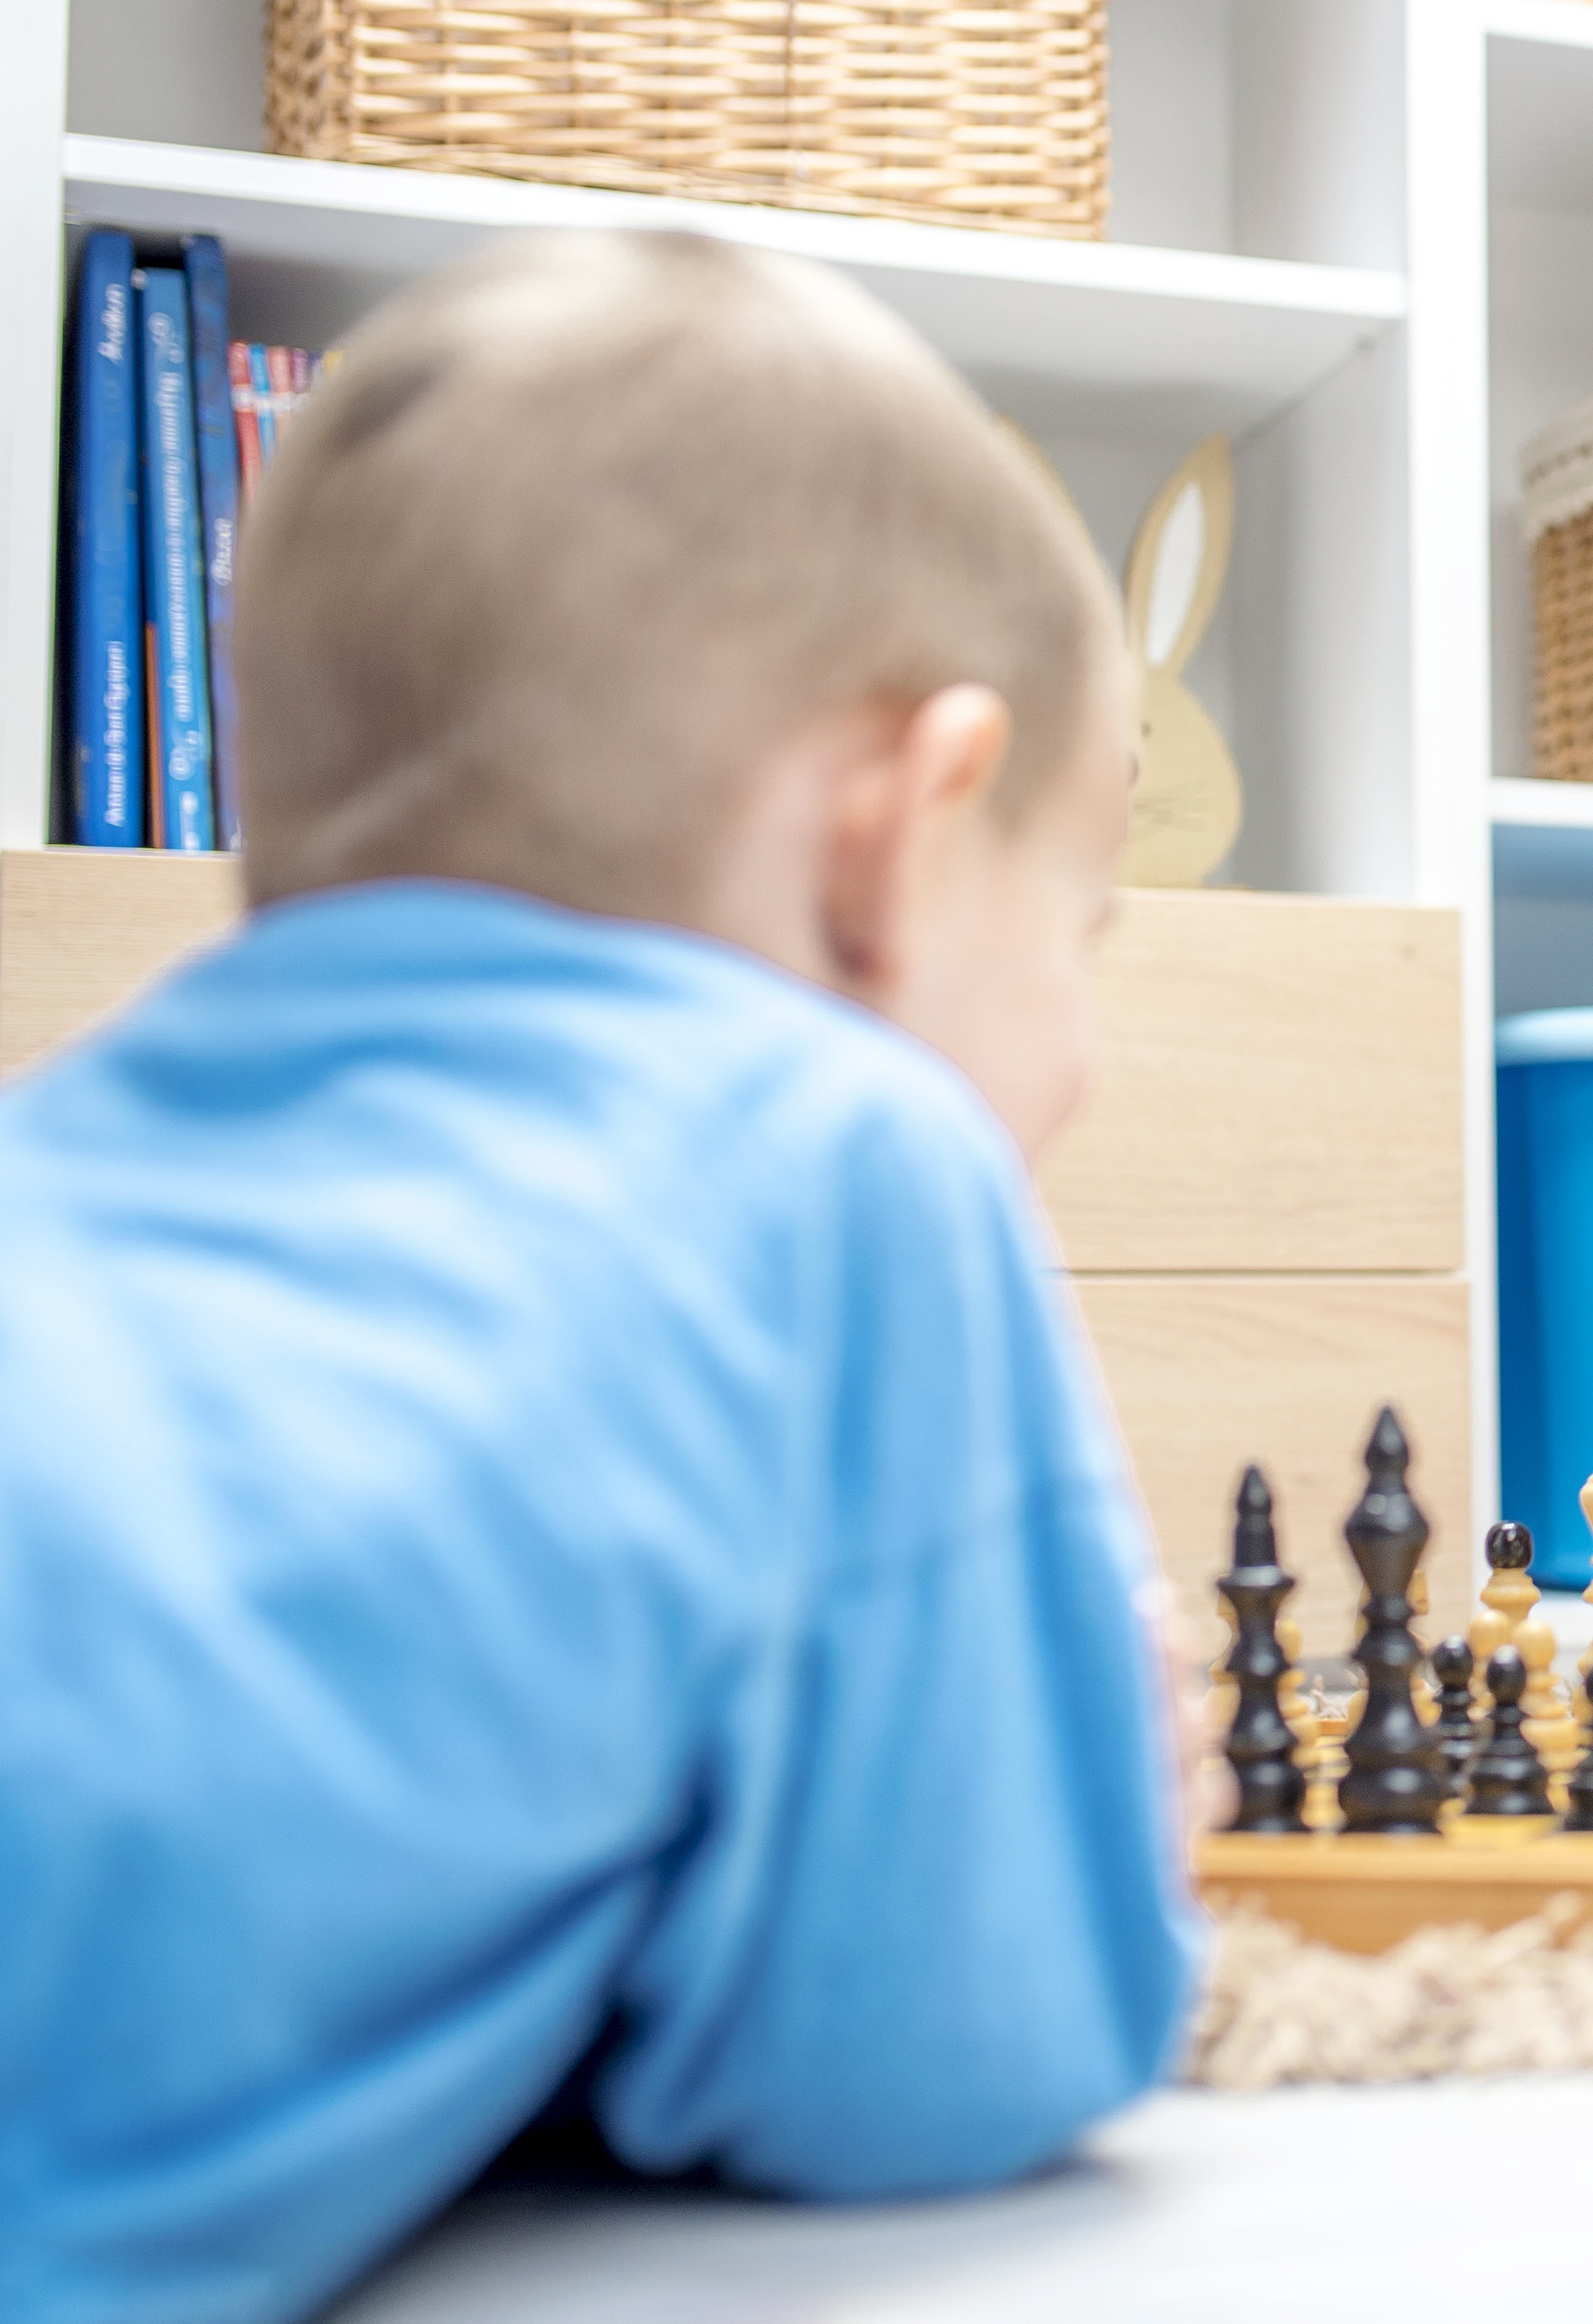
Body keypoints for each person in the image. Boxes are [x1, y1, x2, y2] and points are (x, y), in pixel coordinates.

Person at [0, 232, 1208, 2324]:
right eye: (1085, 922)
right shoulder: (848, 1150)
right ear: (895, 839)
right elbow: (946, 2067)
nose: (1086, 1055)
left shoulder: (61, 1139)